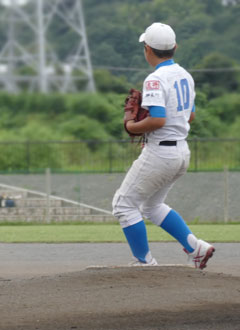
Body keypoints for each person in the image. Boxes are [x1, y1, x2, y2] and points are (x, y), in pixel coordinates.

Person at [112, 23, 215, 268]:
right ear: (175, 47)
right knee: (152, 206)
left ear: (147, 49)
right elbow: (189, 116)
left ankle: (144, 262)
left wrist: (130, 127)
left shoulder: (155, 79)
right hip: (181, 151)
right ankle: (196, 248)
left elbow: (157, 120)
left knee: (123, 205)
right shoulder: (185, 76)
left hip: (161, 152)